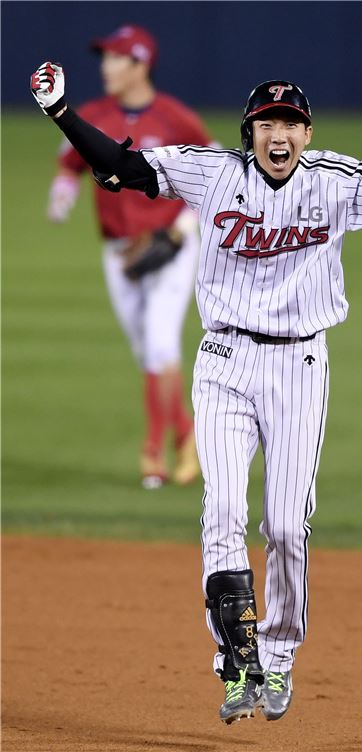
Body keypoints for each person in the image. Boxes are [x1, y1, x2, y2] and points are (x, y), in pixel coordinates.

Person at [30, 62, 362, 723]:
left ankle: (280, 654)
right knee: (222, 516)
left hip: (299, 366)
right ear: (249, 131)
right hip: (224, 361)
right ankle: (235, 662)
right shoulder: (213, 173)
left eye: (291, 123)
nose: (279, 133)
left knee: (288, 528)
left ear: (307, 132)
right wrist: (61, 110)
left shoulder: (336, 181)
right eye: (268, 123)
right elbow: (123, 166)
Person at [46, 26, 214, 488]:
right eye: (105, 58)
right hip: (120, 252)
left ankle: (153, 451)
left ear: (140, 64)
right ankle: (188, 432)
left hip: (173, 246)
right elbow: (69, 165)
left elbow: (218, 172)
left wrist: (185, 223)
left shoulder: (177, 118)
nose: (105, 67)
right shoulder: (93, 116)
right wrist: (61, 196)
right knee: (147, 355)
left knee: (161, 344)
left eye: (115, 59)